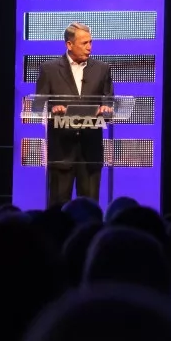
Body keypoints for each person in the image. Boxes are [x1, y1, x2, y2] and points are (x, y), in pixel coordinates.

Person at [35, 23, 114, 207]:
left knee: (89, 209)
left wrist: (106, 110)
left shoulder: (102, 69)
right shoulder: (49, 69)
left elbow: (109, 101)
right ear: (69, 45)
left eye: (91, 42)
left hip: (90, 151)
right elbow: (38, 106)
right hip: (61, 151)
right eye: (84, 43)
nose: (89, 47)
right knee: (57, 210)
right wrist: (52, 110)